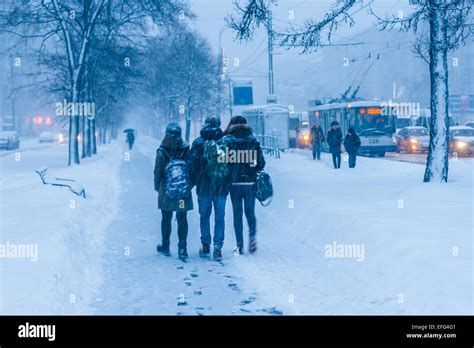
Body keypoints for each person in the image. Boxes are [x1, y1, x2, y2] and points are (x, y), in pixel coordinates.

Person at [221, 116, 265, 255]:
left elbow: (223, 162)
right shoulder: (253, 141)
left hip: (234, 183)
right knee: (250, 212)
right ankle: (252, 237)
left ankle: (239, 245)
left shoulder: (227, 141)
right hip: (250, 182)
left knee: (237, 213)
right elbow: (261, 164)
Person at [189, 116, 229, 261]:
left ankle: (206, 245)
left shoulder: (198, 143)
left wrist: (191, 183)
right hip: (221, 188)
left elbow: (192, 165)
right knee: (220, 217)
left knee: (204, 216)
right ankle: (218, 248)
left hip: (204, 187)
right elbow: (230, 166)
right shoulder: (225, 142)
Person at [154, 123, 193, 261]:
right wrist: (189, 185)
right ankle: (182, 249)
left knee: (166, 218)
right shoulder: (186, 149)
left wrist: (157, 187)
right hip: (182, 191)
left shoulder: (162, 150)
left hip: (167, 190)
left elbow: (158, 171)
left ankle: (165, 245)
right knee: (182, 218)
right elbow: (191, 169)